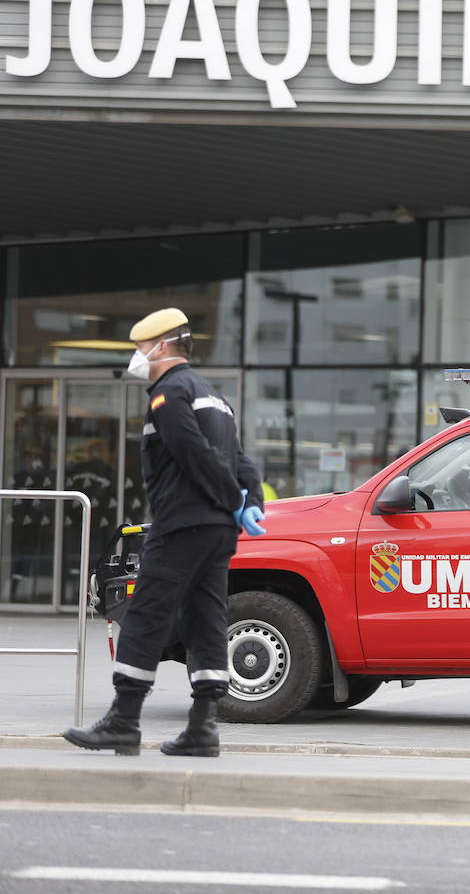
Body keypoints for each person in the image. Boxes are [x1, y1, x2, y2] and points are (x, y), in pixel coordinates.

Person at [64, 308, 267, 757]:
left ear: (162, 346)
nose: (139, 356)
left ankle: (123, 721)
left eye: (140, 348)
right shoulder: (213, 396)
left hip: (182, 523)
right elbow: (243, 462)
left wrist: (234, 498)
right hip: (217, 531)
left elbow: (193, 454)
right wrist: (250, 502)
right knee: (205, 618)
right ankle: (202, 728)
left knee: (145, 615)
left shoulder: (169, 394)